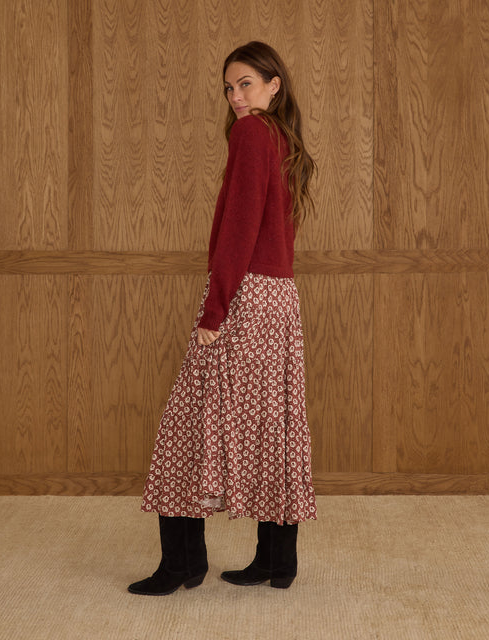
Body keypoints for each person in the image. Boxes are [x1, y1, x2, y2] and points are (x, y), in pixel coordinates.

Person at [128, 40, 317, 596]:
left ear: (274, 85)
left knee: (184, 432)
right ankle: (276, 562)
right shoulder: (282, 138)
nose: (236, 97)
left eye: (246, 84)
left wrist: (215, 309)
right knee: (272, 430)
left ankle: (182, 566)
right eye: (229, 88)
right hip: (279, 300)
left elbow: (239, 227)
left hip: (245, 299)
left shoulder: (253, 133)